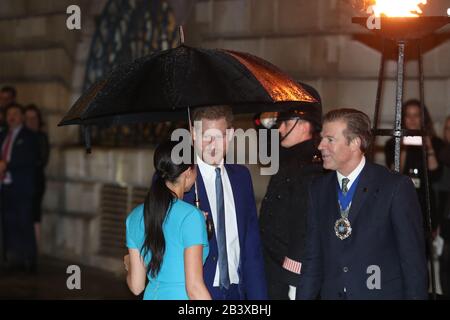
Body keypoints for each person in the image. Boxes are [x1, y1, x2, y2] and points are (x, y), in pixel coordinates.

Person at [297, 108, 428, 300]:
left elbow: (413, 263)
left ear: (355, 143)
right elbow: (312, 260)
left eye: (330, 139)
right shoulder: (318, 189)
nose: (320, 146)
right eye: (322, 138)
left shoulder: (394, 187)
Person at [184, 105, 268, 300]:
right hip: (195, 292)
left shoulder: (241, 177)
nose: (213, 145)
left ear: (229, 135)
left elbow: (251, 244)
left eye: (220, 136)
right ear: (193, 135)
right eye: (206, 136)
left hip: (236, 291)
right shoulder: (177, 179)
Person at [258, 83, 324, 300]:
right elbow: (264, 142)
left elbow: (304, 224)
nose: (280, 130)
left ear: (304, 125)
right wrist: (265, 120)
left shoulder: (311, 166)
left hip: (287, 271)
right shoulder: (288, 156)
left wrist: (294, 276)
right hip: (271, 265)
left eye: (285, 123)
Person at [124, 140, 211, 300]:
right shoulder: (191, 216)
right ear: (188, 172)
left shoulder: (133, 217)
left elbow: (136, 287)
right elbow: (194, 288)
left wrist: (129, 262)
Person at [384, 99, 444, 233]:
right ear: (402, 117)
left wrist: (428, 147)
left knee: (426, 246)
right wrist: (403, 146)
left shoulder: (436, 142)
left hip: (426, 201)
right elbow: (394, 172)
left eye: (416, 115)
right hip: (401, 200)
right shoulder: (392, 143)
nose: (412, 119)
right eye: (408, 115)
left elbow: (436, 175)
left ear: (423, 118)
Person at [0, 104, 39, 273]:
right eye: (9, 113)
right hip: (5, 186)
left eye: (15, 113)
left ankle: (30, 260)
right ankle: (14, 259)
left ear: (22, 117)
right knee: (9, 224)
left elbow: (29, 159)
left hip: (22, 187)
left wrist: (6, 164)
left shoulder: (29, 136)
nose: (11, 116)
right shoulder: (2, 135)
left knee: (24, 223)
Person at [24, 105, 50, 247]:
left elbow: (43, 159)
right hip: (22, 182)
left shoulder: (41, 137)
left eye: (34, 118)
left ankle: (34, 248)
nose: (31, 121)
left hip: (36, 182)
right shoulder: (20, 136)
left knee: (34, 214)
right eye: (27, 118)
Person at [434, 115, 450, 298]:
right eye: (447, 128)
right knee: (445, 263)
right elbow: (439, 187)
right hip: (446, 217)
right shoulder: (443, 153)